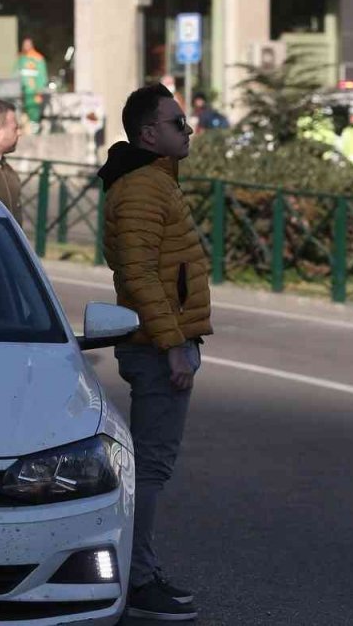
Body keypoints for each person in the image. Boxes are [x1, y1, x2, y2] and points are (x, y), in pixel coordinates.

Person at [97, 84, 210, 622]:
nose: (186, 131)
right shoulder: (143, 187)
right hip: (159, 346)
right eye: (177, 123)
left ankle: (137, 572)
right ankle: (137, 580)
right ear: (149, 134)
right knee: (150, 468)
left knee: (148, 465)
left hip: (161, 340)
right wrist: (173, 345)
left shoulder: (149, 181)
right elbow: (139, 273)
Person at [17, 38, 48, 129]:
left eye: (27, 44)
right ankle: (27, 127)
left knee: (34, 109)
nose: (25, 47)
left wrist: (39, 88)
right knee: (24, 110)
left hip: (34, 91)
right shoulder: (20, 58)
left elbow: (42, 75)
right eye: (24, 44)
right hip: (23, 91)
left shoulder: (37, 58)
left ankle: (35, 126)